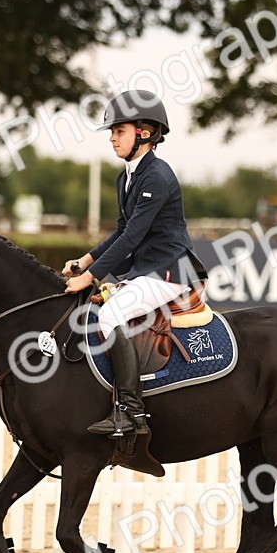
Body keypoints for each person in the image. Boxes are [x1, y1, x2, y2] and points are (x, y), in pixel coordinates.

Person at [63, 90, 202, 439]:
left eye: (119, 131)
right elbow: (123, 230)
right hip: (147, 270)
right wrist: (86, 260)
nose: (112, 138)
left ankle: (131, 413)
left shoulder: (157, 175)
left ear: (144, 132)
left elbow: (132, 238)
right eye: (112, 132)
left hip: (171, 271)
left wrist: (89, 278)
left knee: (110, 316)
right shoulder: (126, 176)